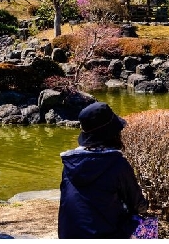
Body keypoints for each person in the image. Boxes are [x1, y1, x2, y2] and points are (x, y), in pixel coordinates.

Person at [58, 102, 149, 239]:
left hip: (68, 235)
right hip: (105, 236)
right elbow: (138, 205)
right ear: (112, 134)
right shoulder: (117, 164)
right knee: (147, 227)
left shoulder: (70, 163)